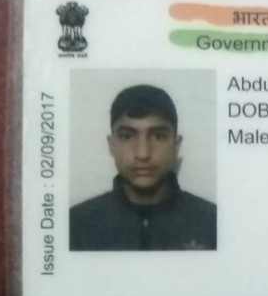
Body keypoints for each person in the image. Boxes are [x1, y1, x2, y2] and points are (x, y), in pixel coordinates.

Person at [70, 84, 217, 251]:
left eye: (159, 136)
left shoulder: (213, 223)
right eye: (127, 136)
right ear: (111, 145)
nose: (143, 153)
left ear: (176, 145)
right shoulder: (75, 225)